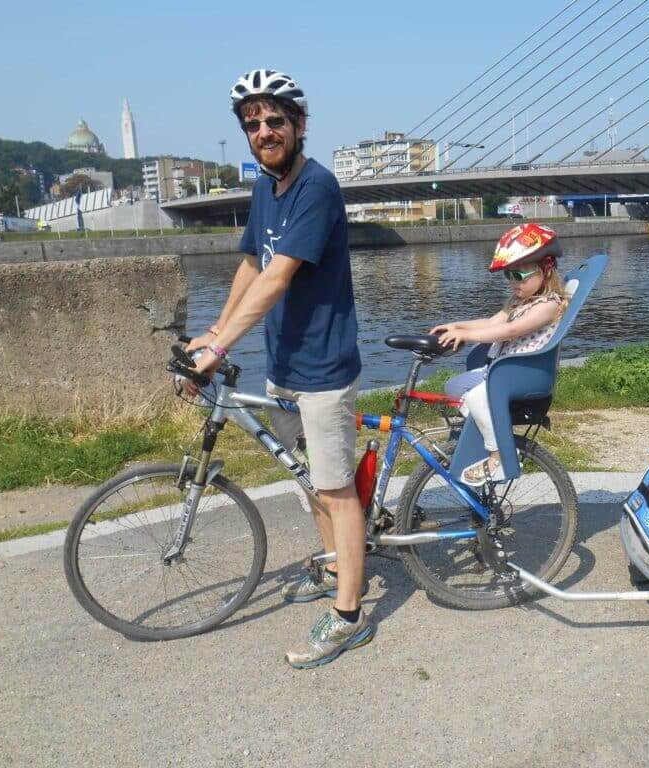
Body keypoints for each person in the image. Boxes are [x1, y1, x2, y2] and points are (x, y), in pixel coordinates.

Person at [185, 69, 371, 669]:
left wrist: (219, 350)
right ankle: (339, 568)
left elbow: (278, 276)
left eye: (274, 121)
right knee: (309, 481)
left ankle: (350, 616)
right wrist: (215, 331)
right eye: (253, 124)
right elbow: (249, 265)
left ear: (299, 126)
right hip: (285, 364)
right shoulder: (267, 186)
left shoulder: (317, 186)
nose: (263, 131)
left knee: (336, 491)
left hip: (323, 367)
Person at [432, 223, 568, 485]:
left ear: (546, 269)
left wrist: (467, 337)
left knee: (475, 396)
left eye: (520, 276)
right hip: (500, 371)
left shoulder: (549, 305)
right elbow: (493, 322)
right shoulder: (521, 302)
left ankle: (499, 457)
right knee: (454, 387)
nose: (512, 283)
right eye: (508, 275)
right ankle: (482, 431)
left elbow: (511, 331)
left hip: (523, 374)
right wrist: (457, 327)